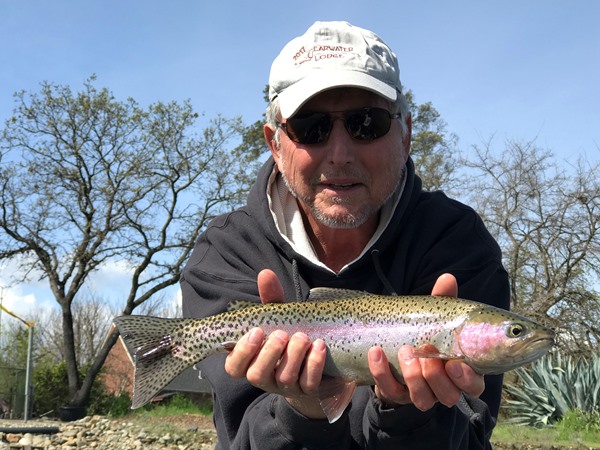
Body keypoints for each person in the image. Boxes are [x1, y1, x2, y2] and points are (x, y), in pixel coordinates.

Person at [181, 20, 509, 449]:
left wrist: (408, 412)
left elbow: (470, 436)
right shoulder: (226, 252)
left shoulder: (456, 242)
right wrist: (300, 410)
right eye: (311, 127)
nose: (339, 154)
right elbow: (238, 438)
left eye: (366, 123)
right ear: (275, 145)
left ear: (406, 135)